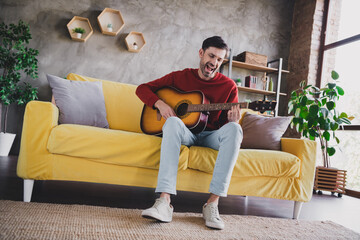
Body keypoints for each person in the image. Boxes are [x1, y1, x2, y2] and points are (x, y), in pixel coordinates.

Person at [135, 36, 243, 230]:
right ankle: (164, 202)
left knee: (235, 129)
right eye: (211, 56)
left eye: (219, 59)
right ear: (201, 53)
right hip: (185, 133)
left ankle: (212, 204)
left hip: (210, 136)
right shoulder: (179, 77)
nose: (214, 63)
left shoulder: (229, 87)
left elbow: (224, 126)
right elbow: (142, 89)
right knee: (173, 122)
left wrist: (231, 121)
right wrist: (159, 104)